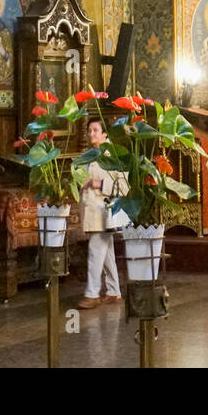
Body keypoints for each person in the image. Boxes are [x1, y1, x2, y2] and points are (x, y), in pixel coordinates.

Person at [78, 116, 128, 310]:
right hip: (91, 212)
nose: (91, 134)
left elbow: (124, 186)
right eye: (89, 130)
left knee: (95, 251)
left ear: (105, 133)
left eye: (95, 130)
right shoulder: (89, 155)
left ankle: (91, 293)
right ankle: (114, 291)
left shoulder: (113, 154)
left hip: (105, 213)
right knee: (106, 253)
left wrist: (99, 184)